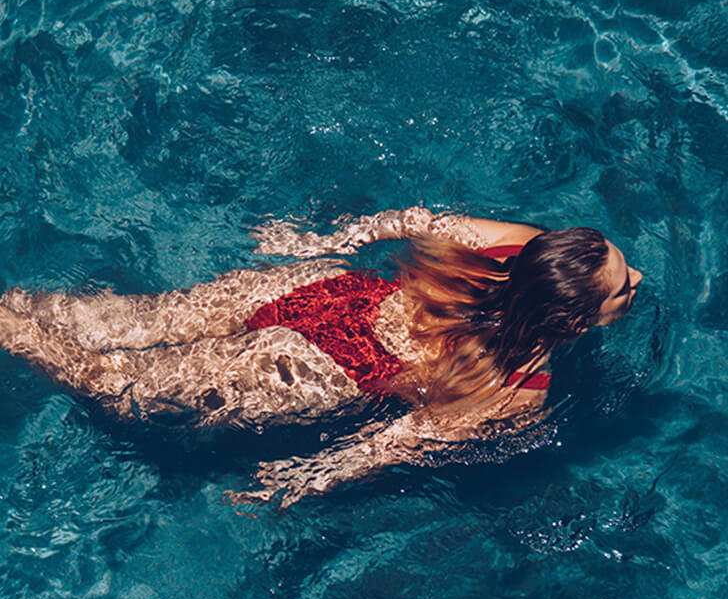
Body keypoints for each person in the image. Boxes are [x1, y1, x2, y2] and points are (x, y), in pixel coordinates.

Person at [0, 208, 642, 507]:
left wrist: (318, 242)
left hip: (326, 292)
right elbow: (399, 441)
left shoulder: (522, 248)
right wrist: (304, 480)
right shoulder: (520, 388)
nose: (636, 276)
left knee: (116, 321)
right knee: (113, 385)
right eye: (623, 283)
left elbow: (414, 219)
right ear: (575, 320)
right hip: (316, 368)